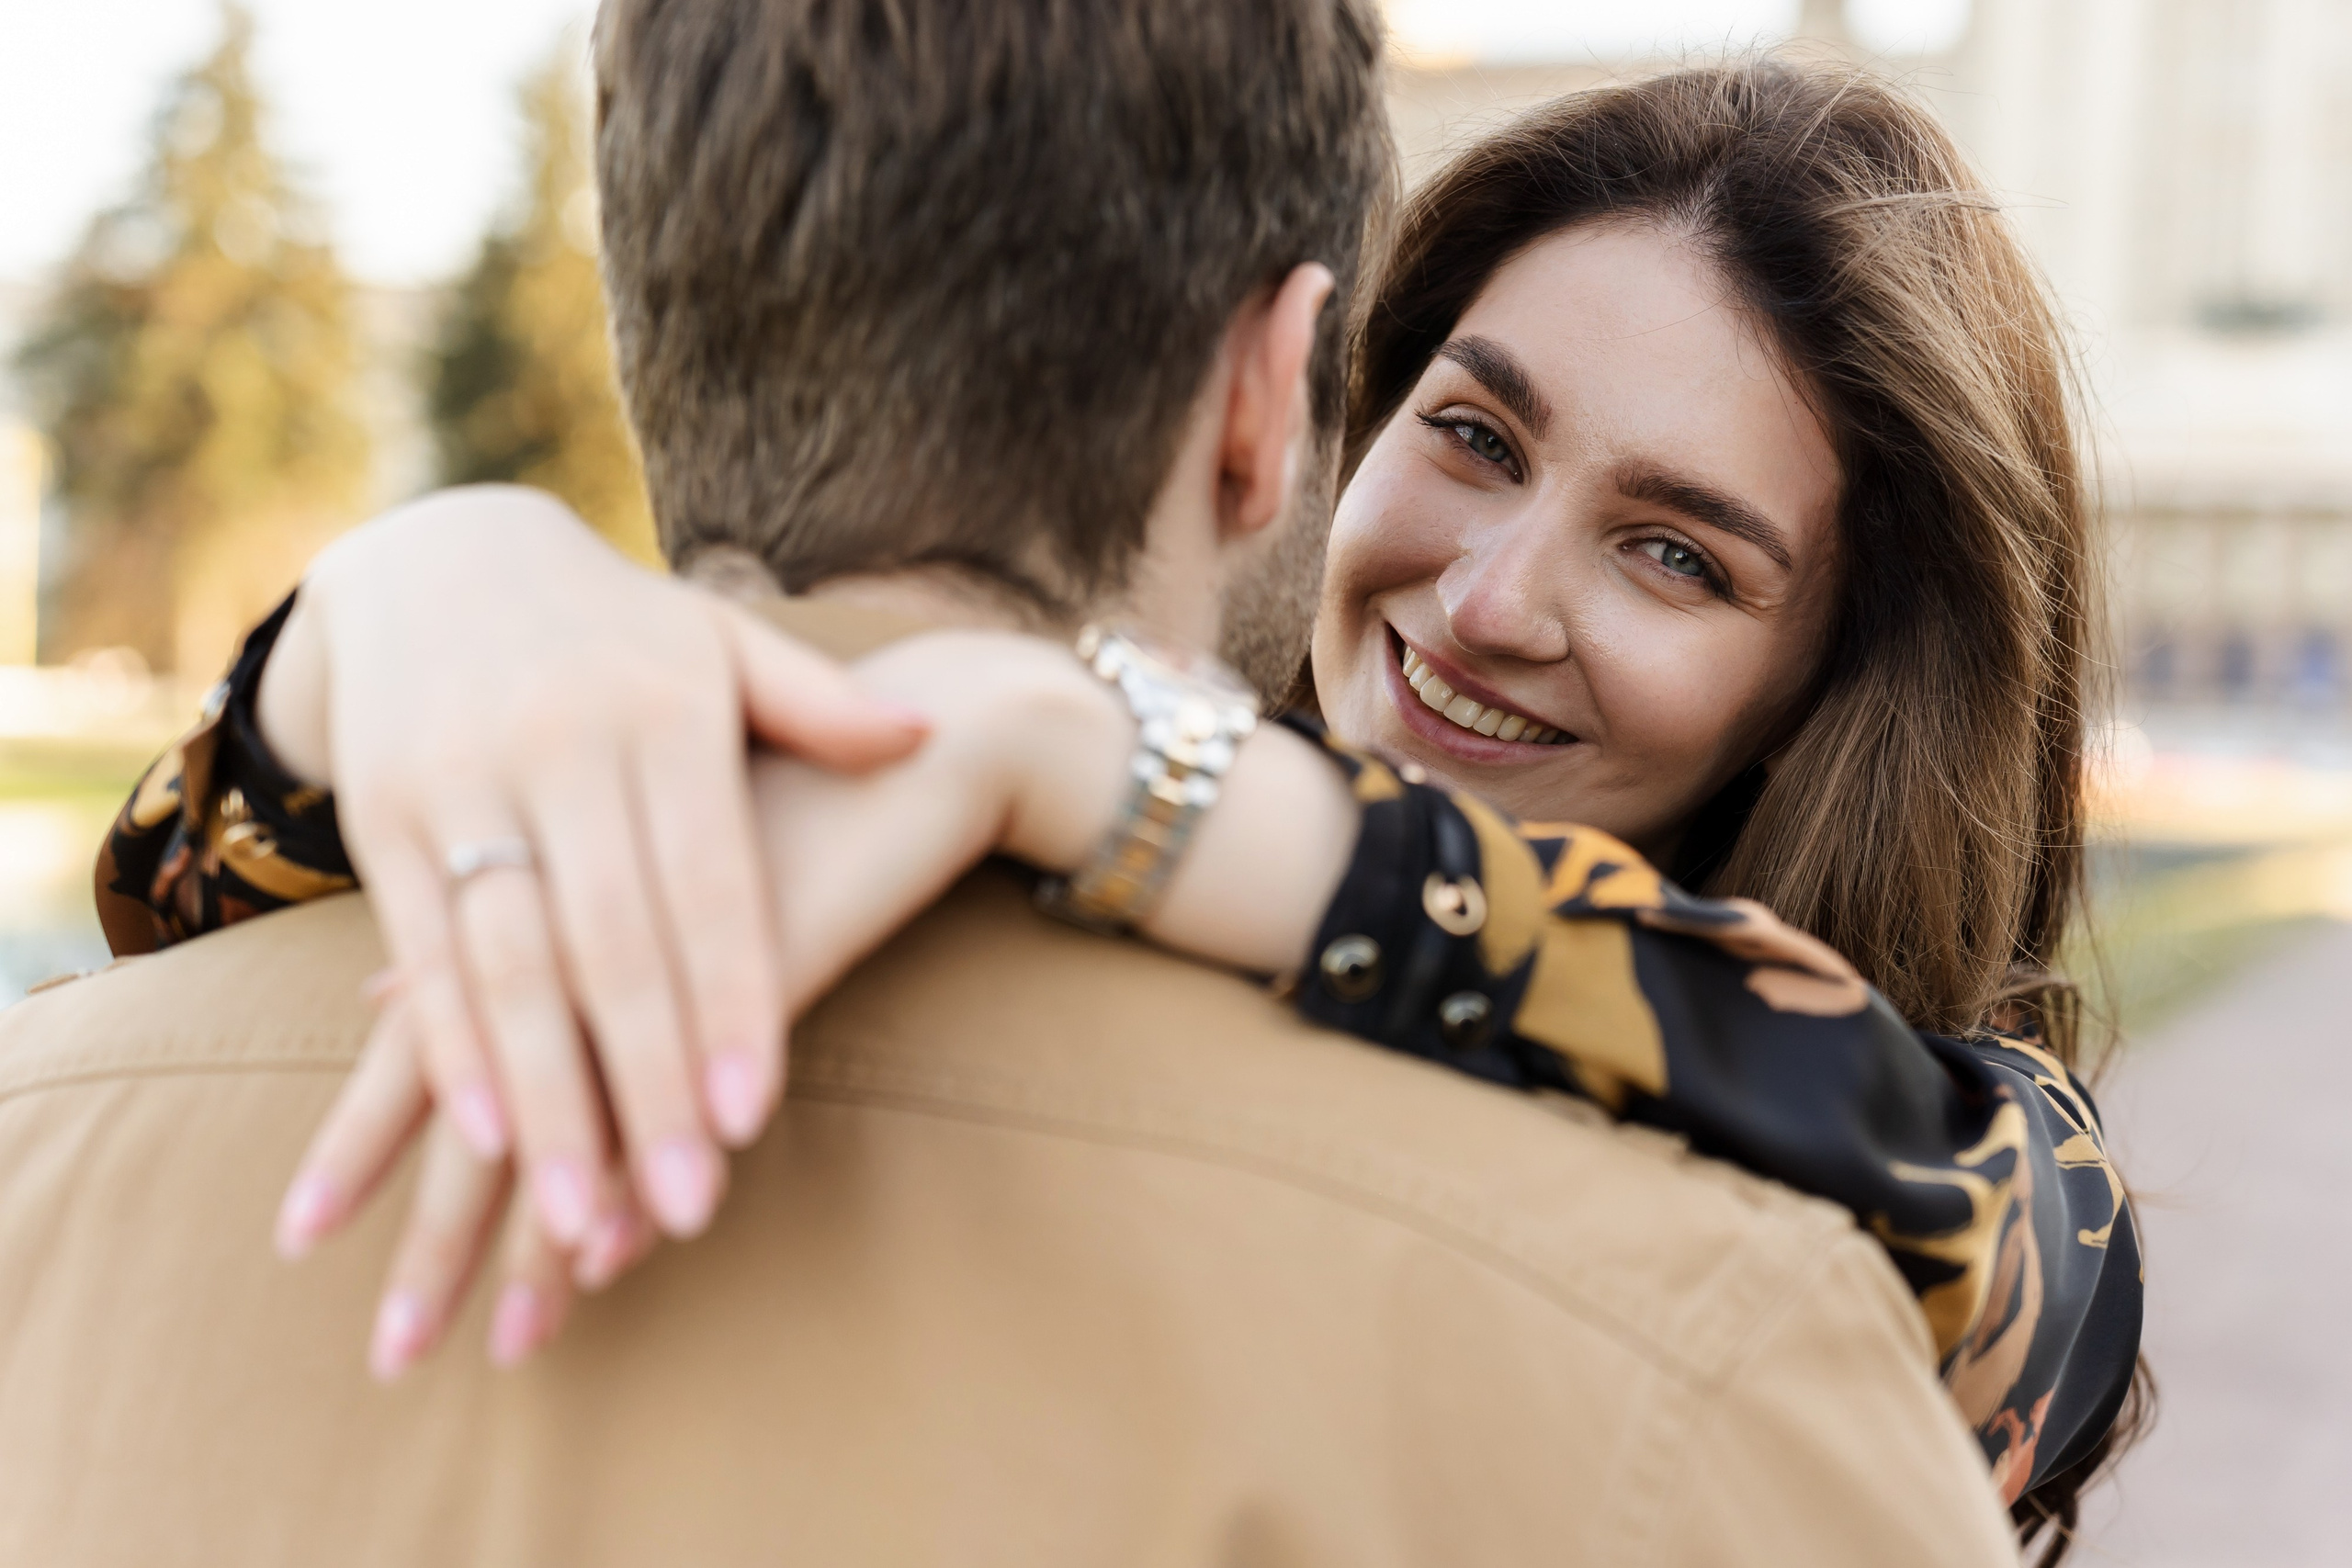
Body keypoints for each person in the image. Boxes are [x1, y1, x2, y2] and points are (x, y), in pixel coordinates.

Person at [0, 5, 2023, 1562]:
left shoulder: (55, 1130)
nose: (1491, 603)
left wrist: (1112, 764)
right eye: (1471, 434)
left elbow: (1960, 1170)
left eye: (1678, 555)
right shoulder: (1725, 1355)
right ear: (1290, 403)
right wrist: (383, 609)